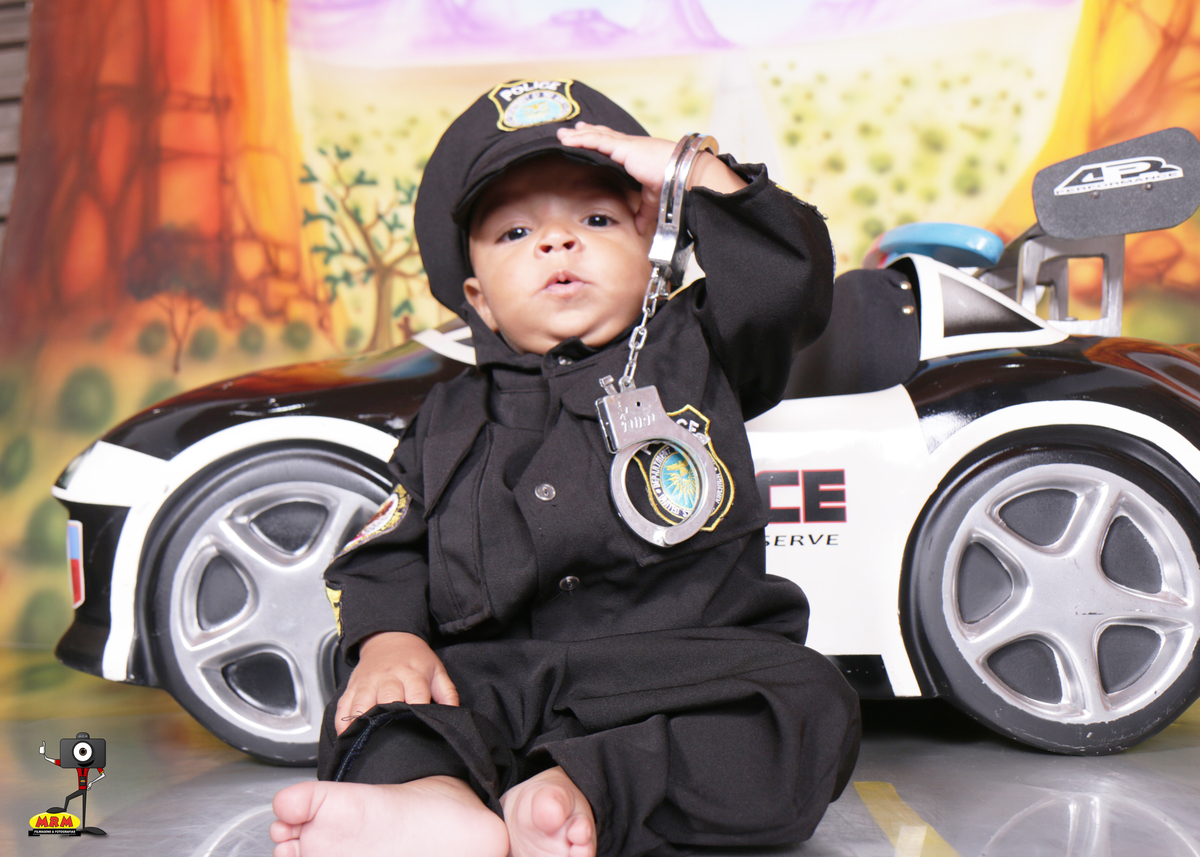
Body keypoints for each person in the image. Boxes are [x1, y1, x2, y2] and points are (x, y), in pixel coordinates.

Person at [270, 78, 860, 857]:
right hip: (500, 680)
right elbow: (386, 552)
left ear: (654, 249)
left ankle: (581, 792)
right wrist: (388, 642)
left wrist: (690, 172)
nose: (556, 242)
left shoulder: (701, 346)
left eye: (596, 218)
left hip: (687, 670)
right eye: (516, 232)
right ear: (479, 299)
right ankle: (433, 804)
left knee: (806, 701)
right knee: (384, 706)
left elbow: (782, 282)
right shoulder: (445, 417)